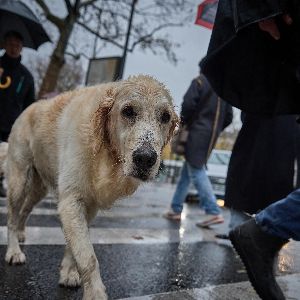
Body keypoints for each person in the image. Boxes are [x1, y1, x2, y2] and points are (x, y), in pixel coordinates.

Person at [201, 1, 300, 299]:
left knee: (252, 187)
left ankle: (266, 228)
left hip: (271, 122)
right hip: (267, 120)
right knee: (250, 187)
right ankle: (266, 229)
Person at [164, 70, 233, 226]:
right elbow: (228, 117)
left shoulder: (200, 81)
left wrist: (185, 123)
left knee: (196, 170)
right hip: (211, 136)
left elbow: (188, 104)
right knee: (187, 173)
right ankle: (175, 208)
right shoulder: (224, 89)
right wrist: (215, 130)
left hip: (195, 133)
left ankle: (213, 211)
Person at [216, 113, 300, 239]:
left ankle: (238, 230)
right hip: (281, 145)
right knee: (273, 193)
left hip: (256, 137)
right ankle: (266, 234)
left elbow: (244, 114)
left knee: (243, 189)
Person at [0, 31, 35, 197]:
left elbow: (29, 105)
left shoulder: (26, 76)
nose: (14, 48)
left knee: (5, 155)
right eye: (11, 44)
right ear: (5, 45)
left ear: (21, 48)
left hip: (12, 125)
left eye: (17, 45)